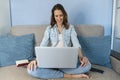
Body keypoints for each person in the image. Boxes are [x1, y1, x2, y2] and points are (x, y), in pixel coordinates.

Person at [27, 3, 91, 79]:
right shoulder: (49, 29)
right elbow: (42, 45)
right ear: (53, 17)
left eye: (61, 15)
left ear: (64, 15)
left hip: (66, 62)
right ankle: (69, 75)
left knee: (88, 66)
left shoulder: (70, 28)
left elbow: (76, 43)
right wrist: (36, 60)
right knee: (30, 70)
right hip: (52, 62)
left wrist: (81, 57)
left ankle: (53, 73)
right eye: (56, 16)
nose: (59, 18)